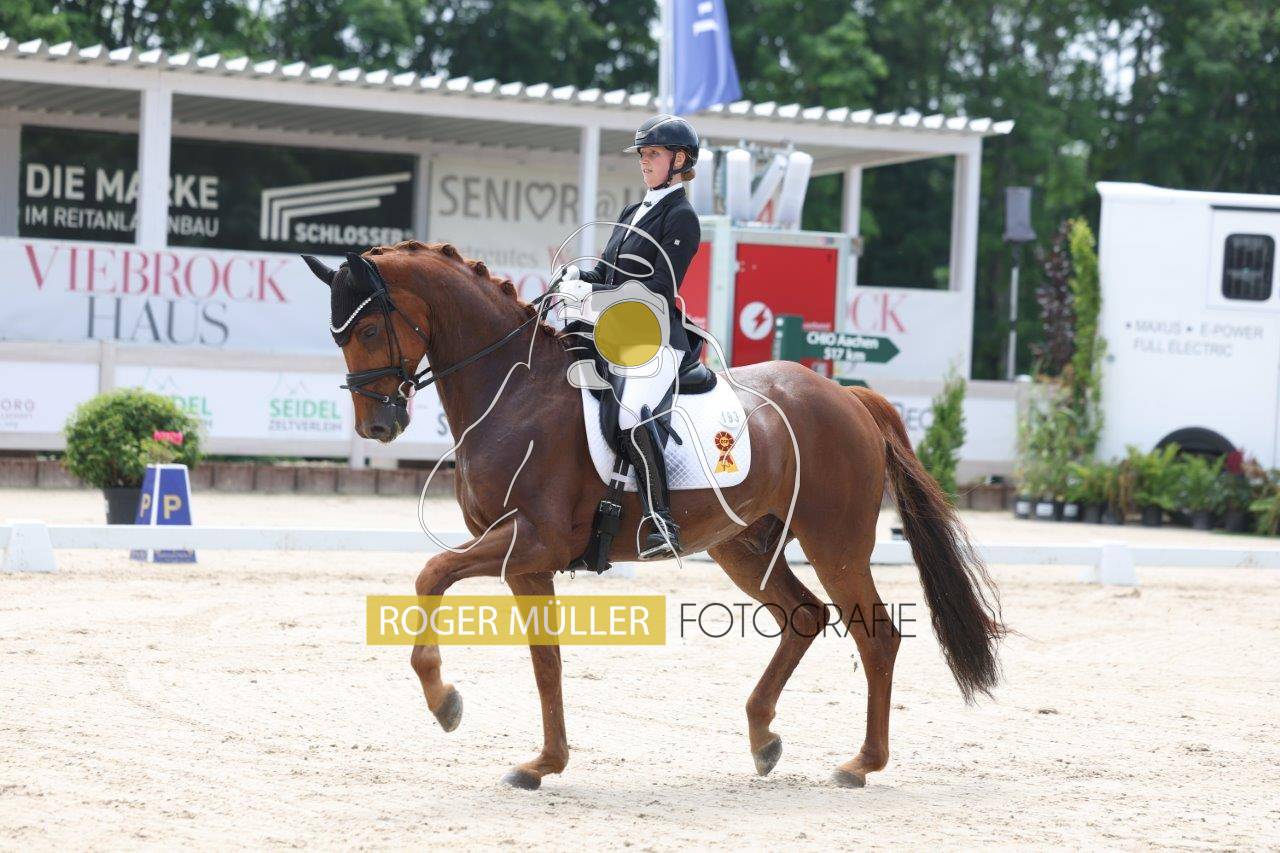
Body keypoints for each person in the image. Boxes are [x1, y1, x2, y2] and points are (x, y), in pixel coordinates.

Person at [560, 114, 703, 559]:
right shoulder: (632, 211)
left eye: (653, 154)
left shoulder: (682, 217)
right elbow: (606, 271)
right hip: (614, 333)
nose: (644, 161)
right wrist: (577, 277)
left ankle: (662, 521)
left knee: (631, 416)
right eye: (642, 154)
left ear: (679, 160)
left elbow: (659, 289)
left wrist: (595, 295)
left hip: (653, 338)